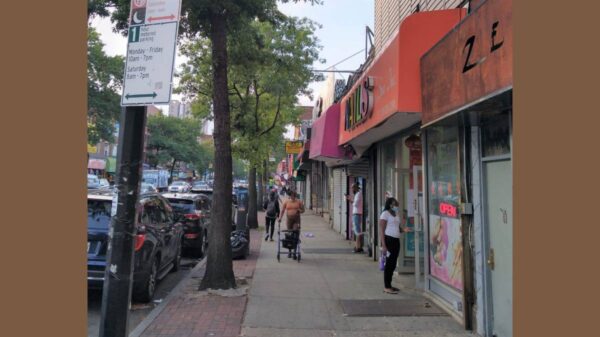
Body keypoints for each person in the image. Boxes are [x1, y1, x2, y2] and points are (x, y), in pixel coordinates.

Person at [379, 197, 411, 294]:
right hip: (389, 240)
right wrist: (384, 245)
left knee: (393, 264)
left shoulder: (395, 214)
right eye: (394, 205)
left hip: (396, 240)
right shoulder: (385, 214)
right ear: (390, 205)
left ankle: (390, 285)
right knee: (389, 264)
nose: (396, 206)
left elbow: (397, 227)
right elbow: (382, 230)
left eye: (397, 205)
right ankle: (386, 286)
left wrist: (404, 230)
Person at [278, 190, 305, 259]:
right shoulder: (286, 202)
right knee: (289, 236)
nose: (292, 197)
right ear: (290, 196)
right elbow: (283, 210)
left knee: (295, 234)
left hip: (296, 220)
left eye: (293, 195)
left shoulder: (298, 202)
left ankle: (294, 253)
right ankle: (290, 252)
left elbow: (303, 210)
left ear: (295, 196)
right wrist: (280, 218)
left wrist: (299, 210)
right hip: (289, 220)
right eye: (291, 195)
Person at [346, 183, 363, 253]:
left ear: (356, 188)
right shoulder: (357, 194)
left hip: (357, 214)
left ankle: (358, 247)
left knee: (357, 231)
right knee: (357, 230)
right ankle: (358, 246)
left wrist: (350, 200)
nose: (352, 189)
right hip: (357, 213)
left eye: (352, 188)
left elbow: (355, 204)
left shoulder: (358, 194)